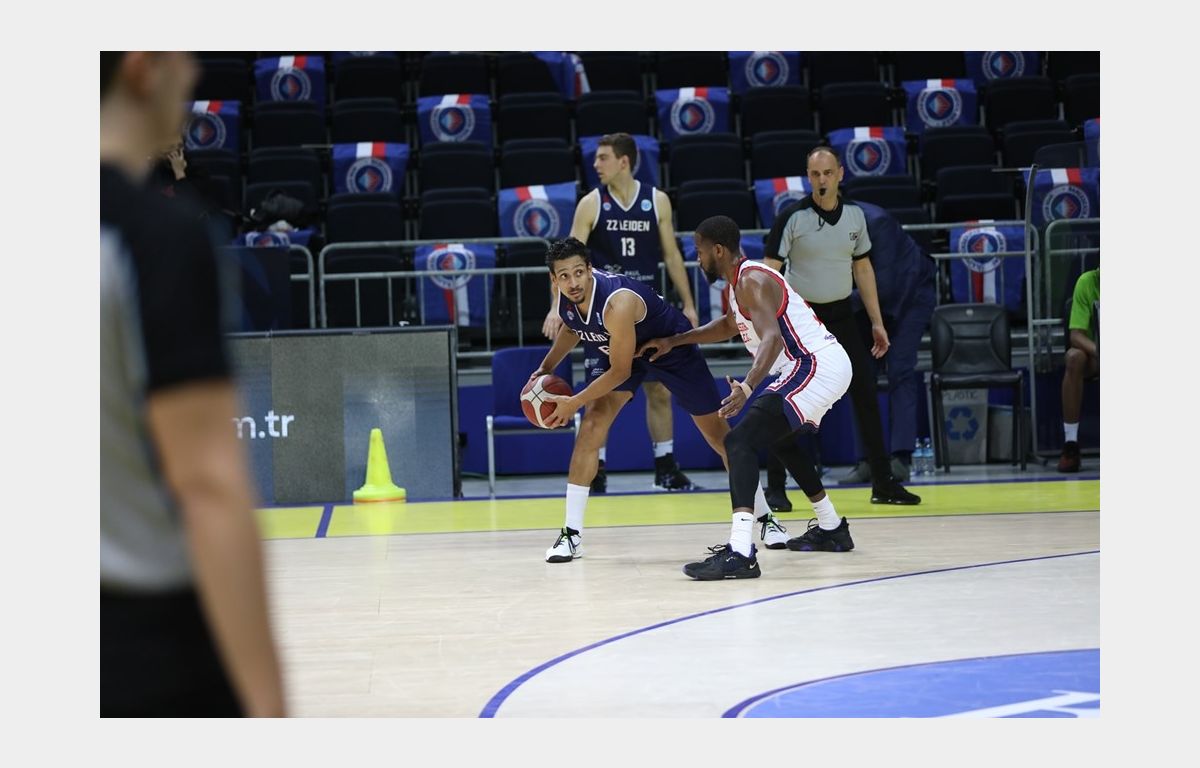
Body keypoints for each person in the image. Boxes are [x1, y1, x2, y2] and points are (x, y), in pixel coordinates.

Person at [101, 51, 286, 717]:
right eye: (183, 56)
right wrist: (267, 706)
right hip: (136, 636)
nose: (194, 76)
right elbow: (207, 484)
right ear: (142, 67)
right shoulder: (154, 239)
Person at [534, 237, 789, 563]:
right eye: (564, 276)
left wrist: (574, 402)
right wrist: (545, 369)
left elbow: (620, 371)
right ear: (554, 279)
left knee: (719, 437)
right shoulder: (567, 300)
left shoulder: (616, 302)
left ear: (590, 269)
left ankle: (766, 518)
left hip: (669, 347)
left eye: (578, 273)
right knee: (592, 424)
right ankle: (571, 534)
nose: (573, 282)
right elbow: (572, 328)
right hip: (620, 348)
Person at [639, 216, 855, 580]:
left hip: (814, 364)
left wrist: (748, 386)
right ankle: (832, 527)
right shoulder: (738, 284)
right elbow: (728, 325)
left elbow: (771, 338)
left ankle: (741, 551)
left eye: (700, 251)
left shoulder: (751, 280)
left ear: (718, 250)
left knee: (737, 441)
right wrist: (674, 341)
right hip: (812, 366)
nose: (697, 258)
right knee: (780, 441)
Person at [542, 133, 701, 493]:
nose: (595, 164)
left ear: (624, 161)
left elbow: (672, 255)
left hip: (645, 314)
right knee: (599, 397)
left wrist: (689, 303)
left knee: (659, 391)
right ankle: (595, 470)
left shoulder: (656, 200)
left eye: (603, 158)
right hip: (602, 314)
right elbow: (566, 260)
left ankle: (665, 467)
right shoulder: (591, 203)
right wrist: (556, 308)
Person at [764, 146, 920, 506]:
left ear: (840, 174)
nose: (822, 180)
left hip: (843, 316)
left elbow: (862, 269)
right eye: (815, 174)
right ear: (808, 177)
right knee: (786, 397)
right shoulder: (792, 217)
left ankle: (883, 482)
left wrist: (877, 322)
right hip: (802, 321)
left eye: (828, 173)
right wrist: (771, 325)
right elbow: (770, 272)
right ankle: (776, 488)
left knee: (865, 390)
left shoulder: (854, 216)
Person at [1059, 268, 1099, 472]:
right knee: (1074, 358)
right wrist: (1100, 350)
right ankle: (1071, 444)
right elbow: (1076, 335)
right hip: (1096, 357)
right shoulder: (1087, 282)